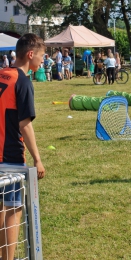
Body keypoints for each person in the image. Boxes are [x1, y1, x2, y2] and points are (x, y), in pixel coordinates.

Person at [0, 33, 45, 260]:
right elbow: (24, 125)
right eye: (42, 56)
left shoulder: (1, 75)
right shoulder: (23, 81)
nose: (43, 61)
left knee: (1, 209)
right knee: (13, 210)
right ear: (30, 55)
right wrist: (37, 159)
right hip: (11, 158)